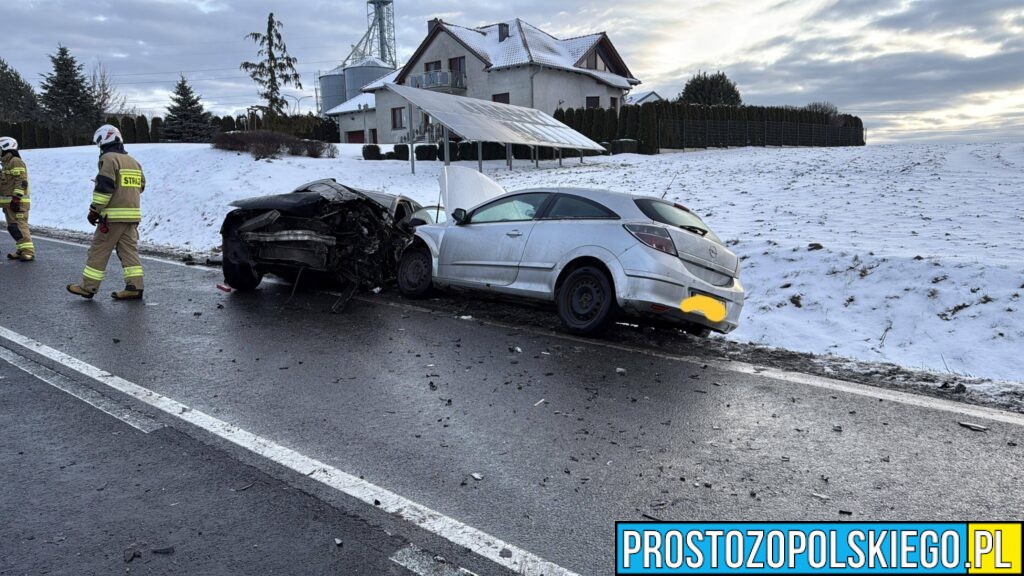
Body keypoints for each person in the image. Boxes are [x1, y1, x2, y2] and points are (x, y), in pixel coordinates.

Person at [67, 125, 146, 300]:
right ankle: (135, 287)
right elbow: (141, 186)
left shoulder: (109, 159)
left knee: (98, 250)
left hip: (112, 218)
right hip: (131, 216)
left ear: (104, 140)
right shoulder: (134, 162)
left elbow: (104, 188)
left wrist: (94, 211)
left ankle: (88, 287)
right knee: (129, 252)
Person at [0, 136, 34, 262]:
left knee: (20, 226)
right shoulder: (6, 163)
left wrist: (16, 198)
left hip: (18, 202)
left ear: (6, 147)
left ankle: (28, 252)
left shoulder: (15, 161)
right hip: (9, 204)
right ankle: (21, 249)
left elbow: (21, 181)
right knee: (13, 227)